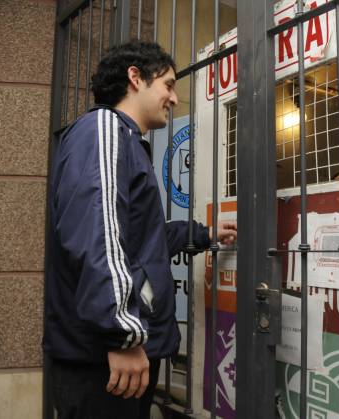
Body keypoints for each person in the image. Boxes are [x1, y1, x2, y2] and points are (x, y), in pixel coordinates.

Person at [43, 41, 237, 419]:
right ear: (135, 77)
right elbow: (98, 236)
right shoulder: (103, 128)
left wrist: (205, 234)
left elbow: (143, 240)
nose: (174, 99)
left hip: (118, 355)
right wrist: (122, 335)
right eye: (168, 85)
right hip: (107, 358)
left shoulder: (127, 141)